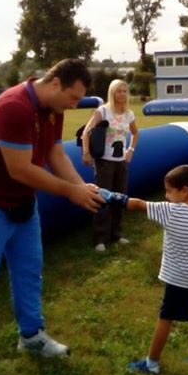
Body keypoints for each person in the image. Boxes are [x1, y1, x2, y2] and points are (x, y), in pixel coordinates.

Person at [0, 58, 105, 375]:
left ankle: (31, 336)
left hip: (21, 203)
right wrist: (69, 192)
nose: (74, 105)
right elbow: (19, 168)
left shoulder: (52, 109)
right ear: (56, 83)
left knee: (29, 270)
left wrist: (80, 185)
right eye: (73, 97)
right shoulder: (14, 107)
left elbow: (54, 153)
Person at [105, 165, 188, 375]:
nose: (166, 196)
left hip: (179, 280)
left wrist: (111, 196)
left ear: (184, 191)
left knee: (165, 318)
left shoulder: (171, 211)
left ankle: (151, 364)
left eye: (168, 191)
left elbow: (138, 204)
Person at [81, 79, 139, 252]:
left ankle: (117, 234)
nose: (122, 94)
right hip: (104, 162)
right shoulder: (103, 111)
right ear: (112, 93)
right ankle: (100, 238)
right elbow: (87, 132)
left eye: (124, 91)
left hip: (121, 162)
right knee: (103, 198)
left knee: (120, 197)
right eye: (118, 91)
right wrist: (86, 152)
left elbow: (136, 133)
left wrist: (131, 150)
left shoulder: (129, 114)